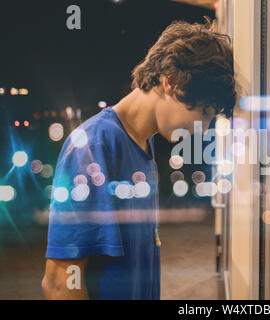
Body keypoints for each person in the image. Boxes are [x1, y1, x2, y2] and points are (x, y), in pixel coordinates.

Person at [41, 19, 236, 300]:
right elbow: (61, 282)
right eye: (204, 111)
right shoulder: (95, 145)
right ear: (171, 81)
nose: (204, 128)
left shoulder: (144, 142)